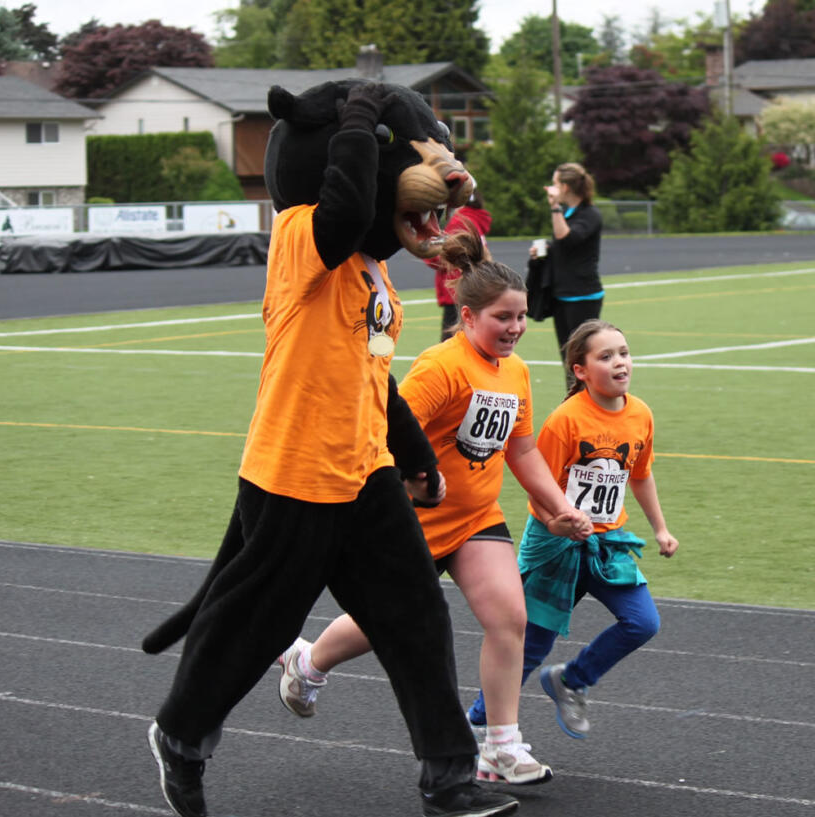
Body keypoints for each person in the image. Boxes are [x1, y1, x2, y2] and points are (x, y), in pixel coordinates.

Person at [140, 81, 517, 817]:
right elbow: (345, 209)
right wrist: (363, 113)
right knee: (256, 624)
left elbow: (372, 381)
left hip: (364, 472)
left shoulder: (376, 275)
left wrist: (414, 459)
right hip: (294, 471)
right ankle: (180, 735)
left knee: (415, 616)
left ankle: (448, 775)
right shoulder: (299, 235)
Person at [276, 228, 593, 785]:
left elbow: (520, 449)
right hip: (416, 522)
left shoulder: (515, 372)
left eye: (520, 317)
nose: (515, 328)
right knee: (385, 624)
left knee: (509, 619)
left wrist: (559, 506)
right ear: (467, 317)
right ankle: (308, 661)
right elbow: (385, 430)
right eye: (502, 318)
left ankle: (501, 746)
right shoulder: (440, 367)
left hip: (477, 519)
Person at [467, 319, 678, 740]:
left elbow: (639, 474)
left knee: (642, 622)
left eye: (624, 352)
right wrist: (555, 522)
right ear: (580, 370)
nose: (620, 362)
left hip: (608, 543)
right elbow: (535, 486)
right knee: (530, 646)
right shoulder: (566, 420)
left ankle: (573, 679)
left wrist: (660, 528)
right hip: (556, 545)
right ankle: (476, 722)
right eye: (606, 356)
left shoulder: (640, 415)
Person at [530, 163, 603, 384]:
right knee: (569, 360)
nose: (551, 188)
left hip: (583, 297)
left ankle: (590, 403)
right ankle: (574, 404)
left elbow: (568, 238)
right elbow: (563, 246)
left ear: (565, 187)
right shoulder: (568, 214)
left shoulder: (589, 214)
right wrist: (544, 252)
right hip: (562, 295)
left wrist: (554, 208)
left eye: (554, 183)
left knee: (583, 358)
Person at [427, 188, 492, 342]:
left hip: (457, 288)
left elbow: (447, 256)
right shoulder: (474, 219)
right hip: (471, 285)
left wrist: (429, 251)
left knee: (452, 343)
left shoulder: (460, 221)